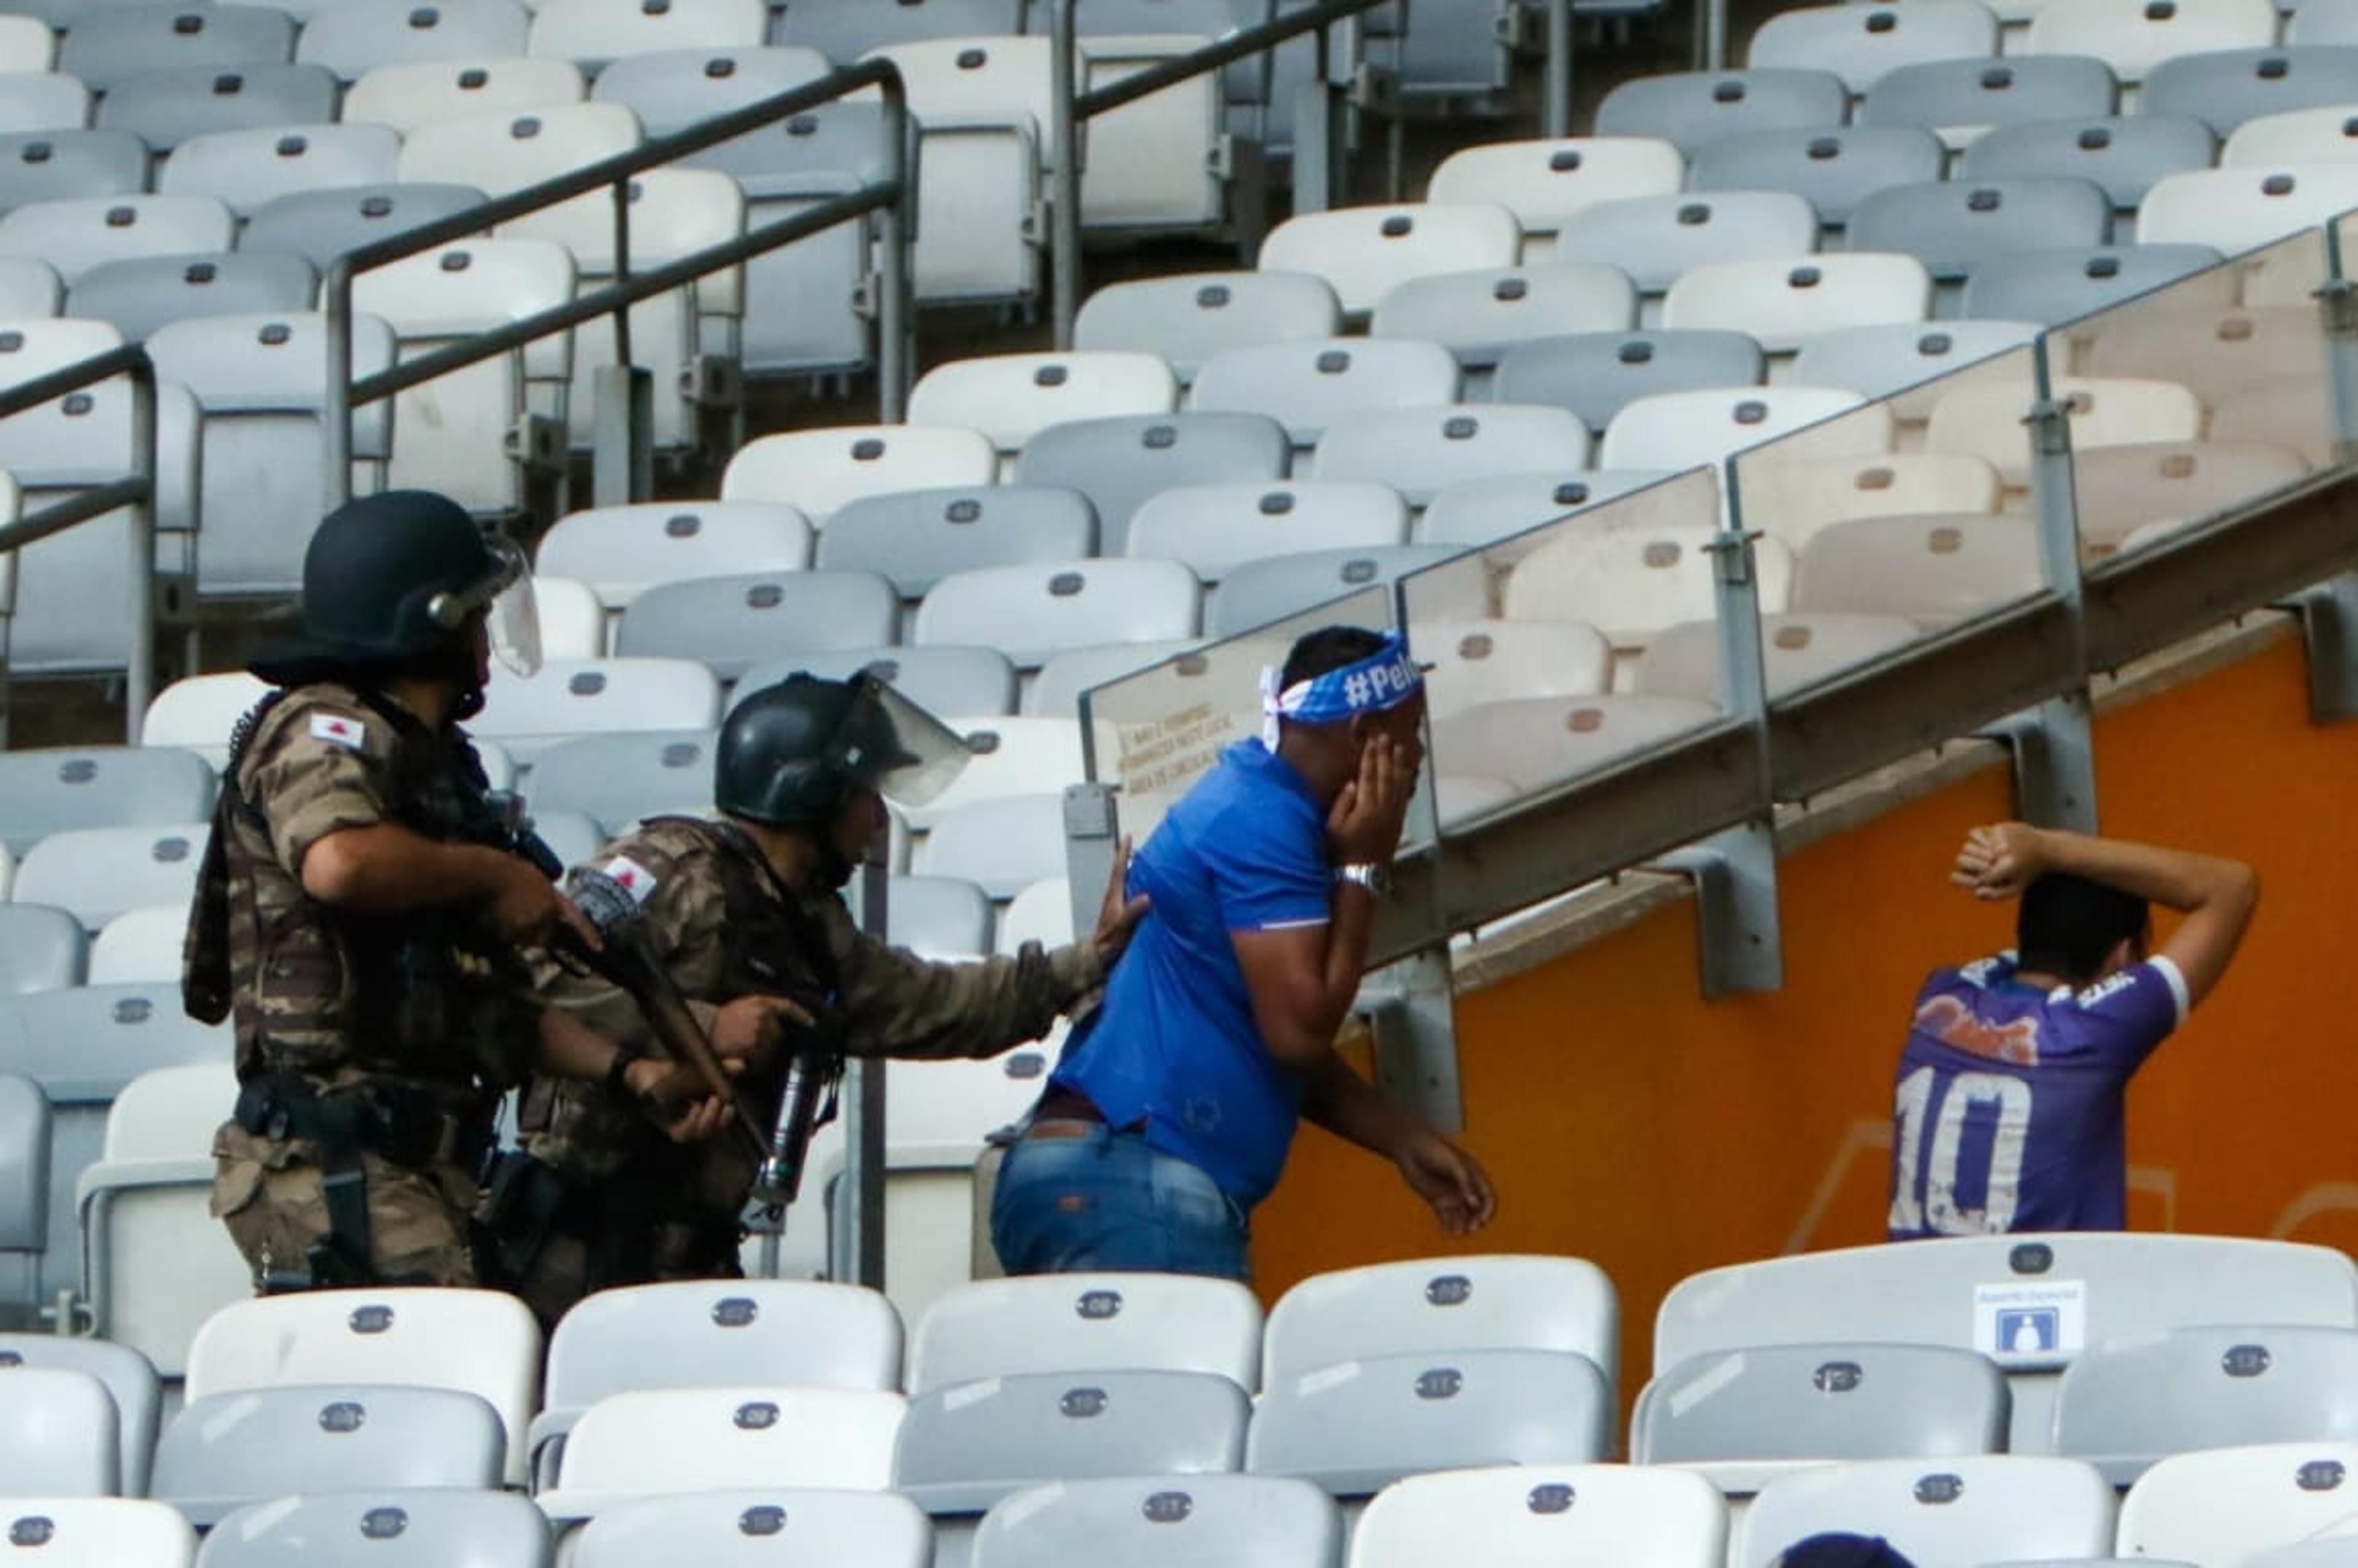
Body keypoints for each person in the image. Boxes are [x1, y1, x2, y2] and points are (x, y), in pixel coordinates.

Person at [494, 671, 1150, 1327]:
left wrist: (1086, 961)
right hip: (574, 1253)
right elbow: (529, 977)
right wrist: (706, 1026)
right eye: (866, 793)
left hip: (687, 1258)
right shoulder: (674, 868)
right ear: (816, 794)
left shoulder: (805, 925)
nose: (876, 818)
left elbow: (933, 1004)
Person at [187, 491, 723, 1294]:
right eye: (475, 615)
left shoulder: (431, 767)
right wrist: (494, 874)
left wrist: (631, 1072)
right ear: (429, 624)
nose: (486, 637)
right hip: (331, 1162)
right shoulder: (321, 726)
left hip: (415, 1164)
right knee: (467, 1369)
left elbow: (480, 1003)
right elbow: (337, 862)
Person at [990, 624, 1498, 1282]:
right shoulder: (1265, 822)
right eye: (1410, 733)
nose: (1418, 755)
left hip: (1092, 1171)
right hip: (1140, 1184)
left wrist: (1400, 1138)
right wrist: (1363, 868)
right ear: (1366, 734)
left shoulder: (1252, 795)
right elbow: (1297, 1031)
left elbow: (1262, 1028)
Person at [1887, 821, 2259, 1240]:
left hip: (1918, 1301)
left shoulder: (1938, 998)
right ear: (2125, 957)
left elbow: (2036, 956)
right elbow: (2233, 886)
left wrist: (2026, 856)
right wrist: (2050, 850)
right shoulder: (2089, 1035)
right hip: (2047, 1302)